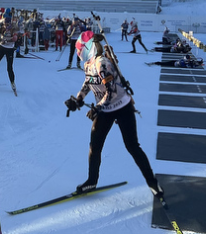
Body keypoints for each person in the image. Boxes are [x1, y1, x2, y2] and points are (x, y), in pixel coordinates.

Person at [64, 31, 164, 198]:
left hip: (121, 106)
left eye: (80, 49)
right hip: (105, 110)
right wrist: (78, 99)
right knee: (94, 147)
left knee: (132, 146)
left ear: (88, 48)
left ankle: (153, 183)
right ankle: (91, 181)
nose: (78, 52)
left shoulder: (102, 63)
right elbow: (88, 82)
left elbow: (110, 91)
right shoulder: (88, 64)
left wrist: (97, 108)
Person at [0, 11, 19, 95]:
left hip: (9, 49)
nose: (6, 26)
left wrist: (10, 39)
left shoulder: (13, 28)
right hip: (2, 47)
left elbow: (15, 38)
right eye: (5, 24)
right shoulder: (1, 28)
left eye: (8, 24)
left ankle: (12, 83)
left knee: (9, 67)